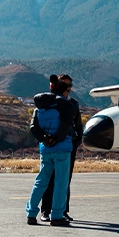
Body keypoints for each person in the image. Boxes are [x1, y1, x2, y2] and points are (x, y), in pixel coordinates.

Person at [25, 90, 73, 227]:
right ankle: (57, 215)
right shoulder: (60, 109)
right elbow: (65, 126)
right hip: (62, 149)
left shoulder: (38, 112)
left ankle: (31, 213)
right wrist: (56, 139)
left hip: (45, 149)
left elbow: (33, 128)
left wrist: (45, 139)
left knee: (41, 182)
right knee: (60, 183)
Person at [40, 74, 82, 222]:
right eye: (65, 85)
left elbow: (78, 125)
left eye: (70, 85)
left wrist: (76, 141)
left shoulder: (73, 103)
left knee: (65, 179)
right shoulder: (49, 102)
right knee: (49, 178)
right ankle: (45, 210)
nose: (68, 88)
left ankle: (63, 210)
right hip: (51, 145)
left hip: (68, 146)